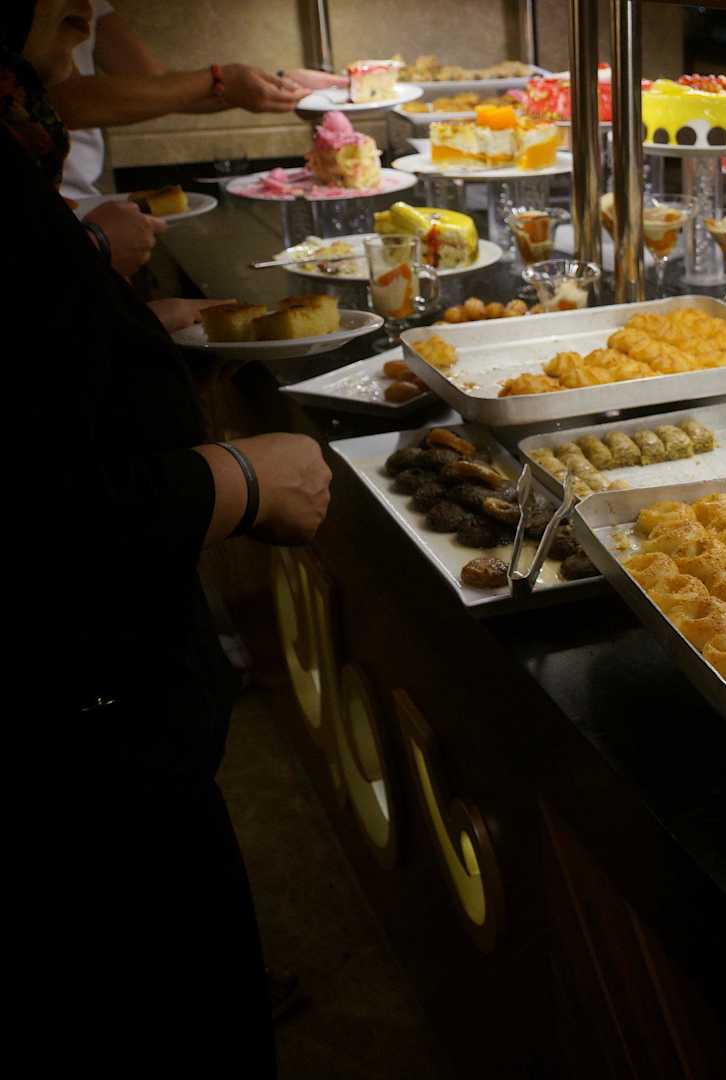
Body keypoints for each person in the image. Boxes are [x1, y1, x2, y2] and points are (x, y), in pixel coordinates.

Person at [12, 2, 330, 1071]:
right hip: (76, 710)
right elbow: (37, 512)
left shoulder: (18, 123)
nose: (78, 30)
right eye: (62, 13)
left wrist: (126, 329)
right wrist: (236, 478)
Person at [53, 2, 344, 275]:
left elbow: (160, 83)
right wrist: (223, 80)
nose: (82, 14)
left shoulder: (91, 5)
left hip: (84, 197)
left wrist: (280, 83)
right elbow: (69, 100)